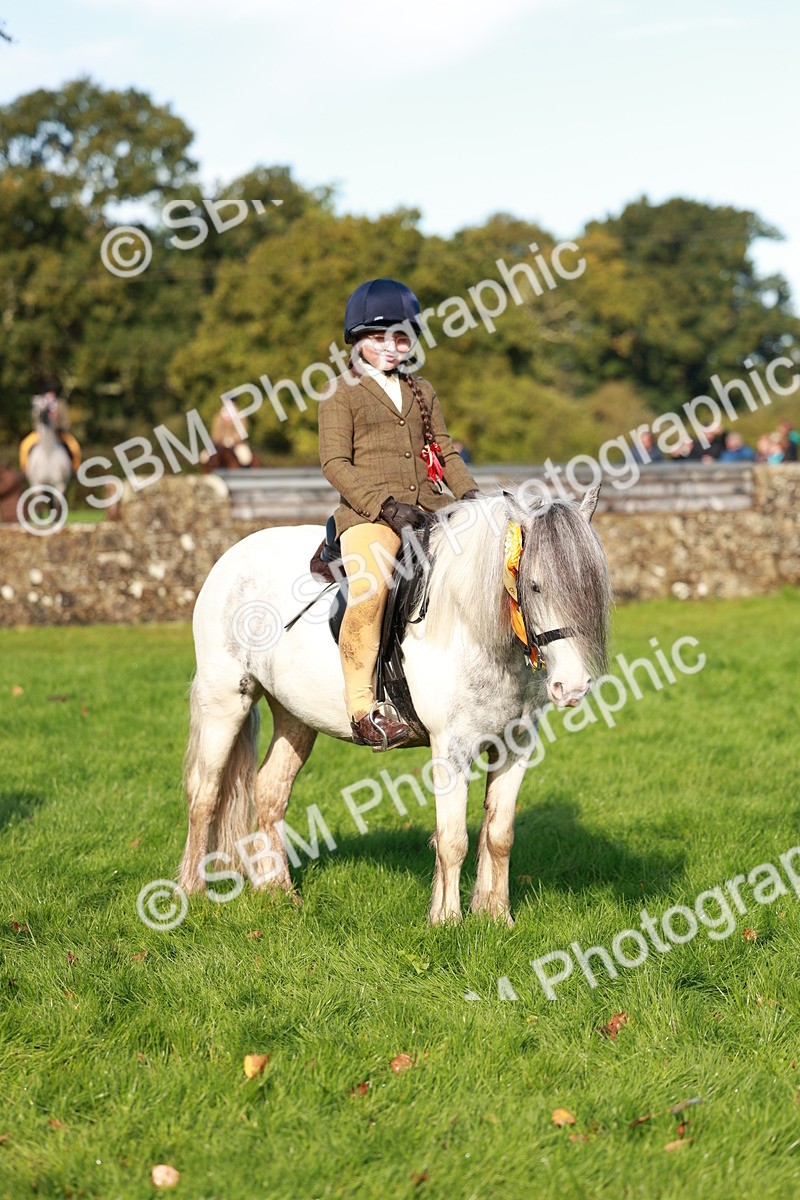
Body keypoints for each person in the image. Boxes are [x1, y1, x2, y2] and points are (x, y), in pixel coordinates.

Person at [318, 278, 479, 750]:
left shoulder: (422, 389)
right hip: (370, 516)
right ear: (357, 339)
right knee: (371, 588)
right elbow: (334, 463)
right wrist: (385, 507)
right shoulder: (339, 392)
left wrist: (471, 497)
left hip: (429, 508)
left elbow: (445, 451)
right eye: (378, 336)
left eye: (402, 337)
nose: (391, 346)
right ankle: (362, 708)